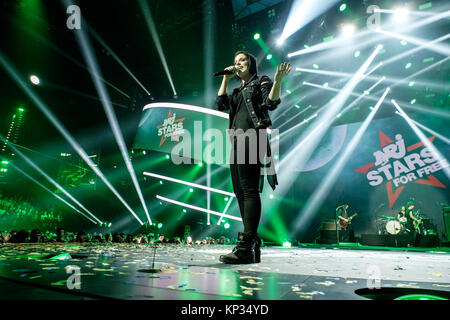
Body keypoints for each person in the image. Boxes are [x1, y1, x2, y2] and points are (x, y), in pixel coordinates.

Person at [216, 51, 290, 264]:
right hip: (237, 140)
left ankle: (247, 245)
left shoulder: (262, 81)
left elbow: (270, 103)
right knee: (239, 191)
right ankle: (252, 242)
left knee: (248, 189)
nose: (238, 63)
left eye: (243, 60)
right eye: (235, 61)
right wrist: (225, 79)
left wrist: (277, 82)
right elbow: (221, 104)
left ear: (251, 63)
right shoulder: (237, 90)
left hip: (253, 137)